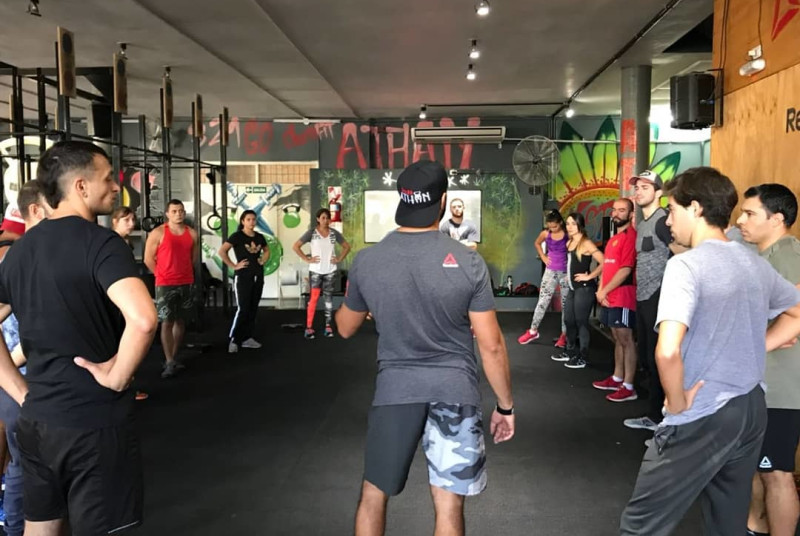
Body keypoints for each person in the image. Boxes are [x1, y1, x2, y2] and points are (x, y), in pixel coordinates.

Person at [335, 160, 514, 536]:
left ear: (402, 199)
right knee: (448, 506)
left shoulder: (367, 261)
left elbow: (345, 327)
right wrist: (504, 406)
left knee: (373, 495)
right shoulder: (468, 261)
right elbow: (492, 346)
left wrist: (370, 304)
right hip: (454, 390)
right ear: (443, 200)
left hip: (395, 390)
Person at [619, 167, 800, 536]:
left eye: (672, 210)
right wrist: (757, 346)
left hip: (704, 408)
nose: (668, 221)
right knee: (727, 522)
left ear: (696, 208)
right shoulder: (752, 262)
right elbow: (796, 311)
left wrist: (677, 401)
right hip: (750, 408)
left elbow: (667, 351)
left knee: (641, 526)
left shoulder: (685, 265)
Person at [0, 140, 158, 535]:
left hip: (37, 420)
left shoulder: (20, 251)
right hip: (94, 422)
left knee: (40, 529)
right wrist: (118, 376)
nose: (116, 187)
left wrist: (20, 392)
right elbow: (143, 319)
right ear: (81, 187)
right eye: (107, 179)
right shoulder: (102, 243)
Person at [737, 184, 800, 536]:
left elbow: (797, 314)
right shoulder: (761, 257)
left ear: (776, 219)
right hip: (760, 384)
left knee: (776, 472)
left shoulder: (788, 255)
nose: (740, 220)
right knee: (758, 468)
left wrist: (758, 343)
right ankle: (755, 527)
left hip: (782, 389)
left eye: (750, 213)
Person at [0, 180, 50, 536]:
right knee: (25, 461)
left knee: (17, 457)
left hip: (17, 375)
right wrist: (17, 366)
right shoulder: (17, 258)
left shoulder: (20, 256)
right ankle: (16, 525)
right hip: (18, 376)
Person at [623, 171, 675, 430]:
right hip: (643, 296)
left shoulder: (663, 221)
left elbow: (680, 253)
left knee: (659, 359)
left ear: (659, 193)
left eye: (646, 187)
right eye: (637, 187)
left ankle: (662, 419)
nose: (639, 191)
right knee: (647, 357)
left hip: (659, 297)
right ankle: (656, 415)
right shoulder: (643, 223)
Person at [144, 199, 198, 378]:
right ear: (167, 214)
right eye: (174, 211)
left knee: (181, 321)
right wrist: (161, 275)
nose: (178, 214)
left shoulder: (192, 234)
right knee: (167, 322)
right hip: (165, 284)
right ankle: (168, 361)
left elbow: (193, 258)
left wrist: (184, 273)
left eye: (181, 211)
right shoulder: (158, 232)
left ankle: (172, 358)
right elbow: (148, 259)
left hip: (186, 282)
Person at [592, 198, 638, 401]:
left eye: (622, 210)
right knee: (617, 339)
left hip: (624, 296)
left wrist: (604, 291)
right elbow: (607, 267)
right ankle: (617, 377)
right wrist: (600, 290)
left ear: (631, 214)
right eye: (615, 210)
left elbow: (626, 270)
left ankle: (628, 386)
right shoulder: (613, 239)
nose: (617, 214)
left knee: (627, 339)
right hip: (609, 296)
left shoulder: (631, 237)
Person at [552, 212, 604, 369]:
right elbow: (571, 264)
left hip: (585, 289)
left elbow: (604, 261)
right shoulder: (569, 243)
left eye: (573, 224)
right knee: (568, 320)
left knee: (581, 322)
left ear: (580, 225)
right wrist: (567, 277)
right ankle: (569, 351)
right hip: (573, 288)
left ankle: (583, 356)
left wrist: (590, 276)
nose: (570, 227)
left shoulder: (585, 243)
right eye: (568, 223)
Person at [293, 208, 351, 339]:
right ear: (318, 219)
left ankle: (328, 326)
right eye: (323, 218)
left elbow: (347, 246)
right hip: (316, 271)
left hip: (330, 271)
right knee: (313, 299)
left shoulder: (334, 233)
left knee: (328, 299)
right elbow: (296, 246)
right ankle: (309, 327)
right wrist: (307, 259)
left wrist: (339, 259)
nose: (325, 220)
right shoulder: (312, 233)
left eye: (327, 218)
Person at [111, 206, 150, 402]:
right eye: (126, 220)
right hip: (117, 302)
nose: (131, 223)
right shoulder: (112, 243)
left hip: (124, 301)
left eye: (133, 219)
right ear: (115, 222)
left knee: (125, 343)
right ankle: (121, 388)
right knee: (119, 345)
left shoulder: (125, 243)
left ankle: (125, 386)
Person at [218, 210, 269, 354]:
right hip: (243, 277)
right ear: (243, 221)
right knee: (243, 308)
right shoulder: (237, 236)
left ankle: (247, 337)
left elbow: (266, 251)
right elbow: (222, 251)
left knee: (253, 308)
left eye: (254, 219)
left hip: (258, 276)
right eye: (248, 219)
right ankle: (234, 339)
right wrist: (234, 266)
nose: (252, 222)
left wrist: (263, 260)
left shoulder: (259, 237)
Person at [518, 210, 570, 348]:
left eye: (555, 226)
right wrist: (543, 256)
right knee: (542, 301)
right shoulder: (546, 234)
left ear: (560, 222)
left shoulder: (567, 234)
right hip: (550, 271)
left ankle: (564, 335)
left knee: (566, 305)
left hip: (565, 273)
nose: (553, 229)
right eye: (550, 226)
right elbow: (537, 243)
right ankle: (533, 330)